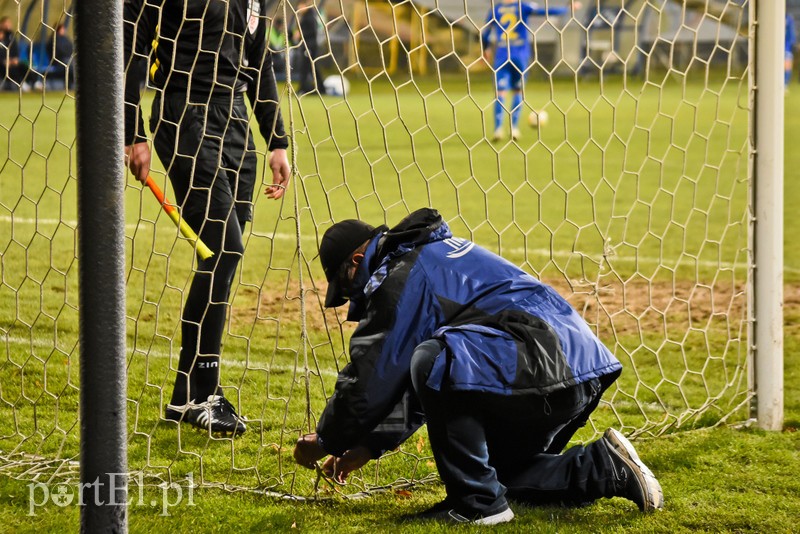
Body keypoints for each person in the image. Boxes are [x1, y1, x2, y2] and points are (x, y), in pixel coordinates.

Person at [293, 208, 663, 525]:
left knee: (434, 356)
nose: (350, 301)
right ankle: (603, 466)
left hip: (541, 362)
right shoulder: (428, 257)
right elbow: (429, 390)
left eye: (345, 288)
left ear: (356, 263)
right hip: (573, 368)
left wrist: (326, 439)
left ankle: (476, 505)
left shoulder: (400, 276)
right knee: (503, 476)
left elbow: (371, 377)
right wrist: (369, 445)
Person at [123, 0, 291, 436]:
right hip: (184, 113)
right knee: (224, 249)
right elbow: (132, 46)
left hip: (235, 121)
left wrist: (276, 141)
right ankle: (206, 394)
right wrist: (131, 132)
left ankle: (183, 397)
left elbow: (259, 60)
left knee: (221, 259)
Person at [481, 1, 576, 141]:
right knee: (518, 91)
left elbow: (485, 33)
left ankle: (498, 130)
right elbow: (546, 11)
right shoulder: (523, 6)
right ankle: (514, 129)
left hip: (502, 55)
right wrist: (567, 8)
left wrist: (485, 49)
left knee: (500, 92)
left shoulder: (496, 10)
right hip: (520, 56)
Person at [291, 0, 326, 95]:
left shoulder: (310, 16)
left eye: (300, 6)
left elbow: (313, 31)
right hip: (306, 46)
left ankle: (304, 89)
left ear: (305, 5)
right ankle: (320, 88)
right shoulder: (304, 16)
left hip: (310, 46)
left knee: (305, 68)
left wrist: (300, 34)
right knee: (311, 68)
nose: (299, 8)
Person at [47, 23, 74, 90]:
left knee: (72, 64)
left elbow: (71, 48)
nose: (64, 30)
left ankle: (70, 85)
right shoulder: (54, 39)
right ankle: (69, 85)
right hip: (58, 60)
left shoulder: (65, 38)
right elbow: (58, 51)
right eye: (62, 29)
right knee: (69, 65)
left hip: (68, 58)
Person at [786, 12, 796, 91]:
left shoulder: (789, 18)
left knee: (787, 67)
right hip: (784, 48)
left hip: (786, 48)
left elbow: (791, 35)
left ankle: (784, 85)